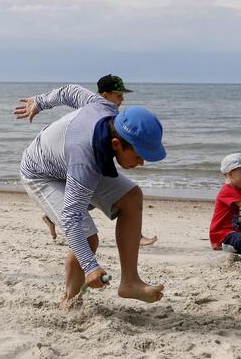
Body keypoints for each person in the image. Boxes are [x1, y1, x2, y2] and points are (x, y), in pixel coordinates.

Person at [20, 103, 167, 306]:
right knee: (88, 238)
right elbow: (71, 219)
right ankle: (70, 301)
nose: (142, 163)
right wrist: (90, 266)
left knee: (131, 197)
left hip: (68, 163)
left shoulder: (108, 111)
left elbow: (70, 90)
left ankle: (130, 282)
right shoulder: (85, 164)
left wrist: (39, 101)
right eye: (139, 156)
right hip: (42, 175)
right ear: (116, 143)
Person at [14, 74, 158, 247]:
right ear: (105, 96)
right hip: (48, 168)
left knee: (127, 194)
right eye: (119, 95)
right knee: (85, 227)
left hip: (70, 164)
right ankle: (55, 214)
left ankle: (52, 215)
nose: (122, 100)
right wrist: (40, 102)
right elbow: (68, 91)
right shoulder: (97, 104)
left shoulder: (116, 118)